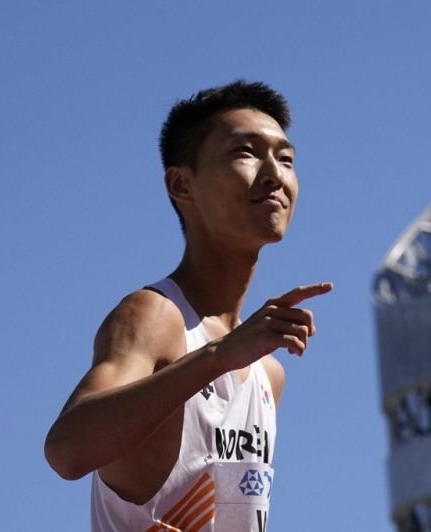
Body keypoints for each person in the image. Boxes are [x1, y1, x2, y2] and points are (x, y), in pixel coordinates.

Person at [44, 80, 332, 531]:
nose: (275, 173)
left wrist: (231, 354)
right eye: (246, 152)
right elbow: (67, 451)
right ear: (182, 184)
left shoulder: (267, 374)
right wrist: (219, 356)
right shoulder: (155, 316)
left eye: (287, 159)